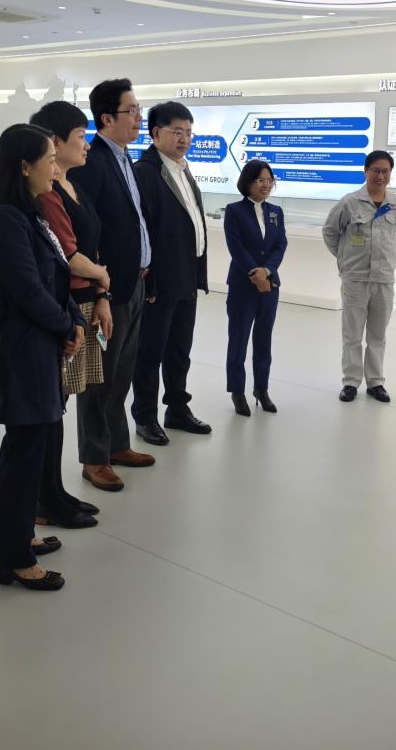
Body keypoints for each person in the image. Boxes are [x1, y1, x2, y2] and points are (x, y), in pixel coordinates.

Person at [0, 124, 85, 589]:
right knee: (25, 450)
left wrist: (73, 320)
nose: (56, 167)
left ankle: (14, 535)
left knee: (31, 447)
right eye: (49, 159)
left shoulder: (30, 214)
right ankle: (12, 557)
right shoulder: (3, 220)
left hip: (39, 346)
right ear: (24, 166)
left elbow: (57, 276)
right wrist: (66, 326)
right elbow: (28, 291)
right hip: (20, 350)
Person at [68, 78, 155, 490]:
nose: (139, 117)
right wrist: (98, 289)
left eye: (139, 109)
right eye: (131, 110)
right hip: (108, 288)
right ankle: (94, 457)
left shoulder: (125, 159)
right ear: (106, 118)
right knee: (99, 376)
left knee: (122, 371)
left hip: (134, 283)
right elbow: (88, 232)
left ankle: (117, 444)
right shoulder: (93, 162)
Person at [30, 101, 112, 527]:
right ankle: (43, 499)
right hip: (65, 305)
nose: (87, 144)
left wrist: (102, 289)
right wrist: (102, 275)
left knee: (59, 404)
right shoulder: (46, 195)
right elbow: (68, 253)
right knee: (52, 405)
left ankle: (53, 492)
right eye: (80, 136)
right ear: (55, 142)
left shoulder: (71, 185)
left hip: (84, 300)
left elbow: (89, 247)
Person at [131, 101, 212, 445]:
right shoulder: (145, 172)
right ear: (155, 133)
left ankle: (177, 408)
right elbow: (142, 231)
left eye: (189, 132)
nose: (184, 139)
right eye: (177, 131)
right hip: (159, 282)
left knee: (180, 349)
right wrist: (148, 280)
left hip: (186, 276)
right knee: (150, 352)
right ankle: (145, 416)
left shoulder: (182, 169)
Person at [322, 150, 396, 404]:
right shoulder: (349, 203)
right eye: (375, 170)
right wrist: (345, 257)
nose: (380, 176)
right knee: (352, 334)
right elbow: (330, 232)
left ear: (390, 174)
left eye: (385, 171)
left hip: (384, 279)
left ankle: (376, 382)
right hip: (355, 279)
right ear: (366, 171)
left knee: (378, 335)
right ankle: (350, 382)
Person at [223, 159, 287, 416]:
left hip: (270, 285)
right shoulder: (234, 211)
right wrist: (256, 273)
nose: (265, 185)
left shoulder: (276, 211)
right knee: (238, 339)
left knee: (264, 340)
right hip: (243, 285)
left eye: (269, 180)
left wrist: (267, 271)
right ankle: (237, 391)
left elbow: (280, 245)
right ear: (248, 182)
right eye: (260, 180)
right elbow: (236, 247)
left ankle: (262, 389)